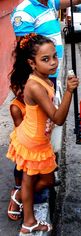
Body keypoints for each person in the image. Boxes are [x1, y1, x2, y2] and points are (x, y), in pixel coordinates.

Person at [6, 33, 79, 234]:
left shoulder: (44, 78)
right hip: (33, 141)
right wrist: (69, 92)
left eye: (54, 57)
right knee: (38, 180)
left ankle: (22, 205)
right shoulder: (35, 85)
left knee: (41, 181)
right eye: (45, 59)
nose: (53, 63)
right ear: (32, 63)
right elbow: (58, 118)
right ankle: (27, 220)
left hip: (37, 138)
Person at [11, 0, 81, 89]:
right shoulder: (23, 12)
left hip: (52, 72)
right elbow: (24, 51)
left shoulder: (51, 3)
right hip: (39, 78)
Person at [7, 83, 25, 221]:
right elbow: (21, 130)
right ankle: (17, 190)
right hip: (22, 139)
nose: (20, 92)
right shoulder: (16, 106)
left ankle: (21, 192)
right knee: (20, 166)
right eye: (17, 88)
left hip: (37, 139)